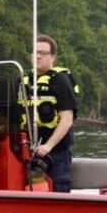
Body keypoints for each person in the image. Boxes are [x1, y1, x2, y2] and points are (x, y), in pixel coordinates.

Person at [20, 34, 78, 192]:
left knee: (58, 186)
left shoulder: (60, 80)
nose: (38, 56)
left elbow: (67, 119)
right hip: (29, 149)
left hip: (56, 150)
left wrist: (48, 146)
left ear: (53, 57)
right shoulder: (24, 80)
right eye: (35, 52)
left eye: (43, 53)